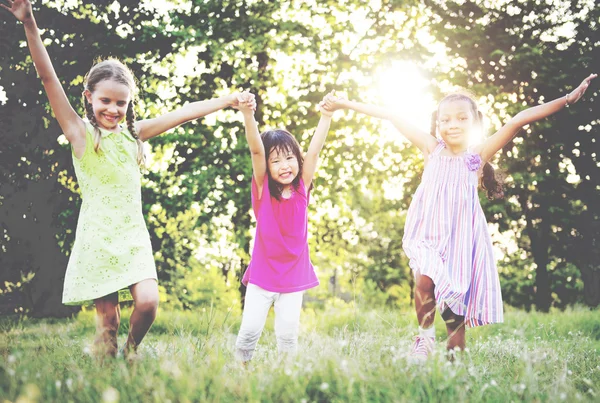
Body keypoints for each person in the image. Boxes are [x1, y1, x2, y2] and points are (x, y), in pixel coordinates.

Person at [3, 0, 255, 359]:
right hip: (97, 236)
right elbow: (48, 78)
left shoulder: (134, 135)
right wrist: (29, 23)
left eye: (121, 103)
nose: (112, 109)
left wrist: (227, 99)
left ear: (128, 104)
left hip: (132, 234)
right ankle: (109, 380)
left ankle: (131, 351)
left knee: (149, 303)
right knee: (107, 324)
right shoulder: (80, 134)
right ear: (89, 98)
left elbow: (182, 114)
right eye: (105, 100)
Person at [322, 73, 596, 359]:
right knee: (424, 279)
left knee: (454, 321)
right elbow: (391, 114)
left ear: (474, 122)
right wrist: (345, 104)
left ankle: (455, 367)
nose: (452, 125)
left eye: (461, 119)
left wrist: (567, 99)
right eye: (445, 120)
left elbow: (518, 120)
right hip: (427, 235)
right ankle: (425, 339)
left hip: (461, 243)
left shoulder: (476, 155)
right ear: (437, 124)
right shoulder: (431, 149)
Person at [234, 91, 337, 362]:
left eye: (289, 158)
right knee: (249, 332)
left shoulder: (302, 186)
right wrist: (248, 115)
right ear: (266, 166)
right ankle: (240, 373)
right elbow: (256, 148)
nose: (284, 166)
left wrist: (326, 116)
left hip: (293, 274)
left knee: (288, 335)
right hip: (263, 275)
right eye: (276, 160)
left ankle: (286, 376)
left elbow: (314, 150)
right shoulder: (262, 190)